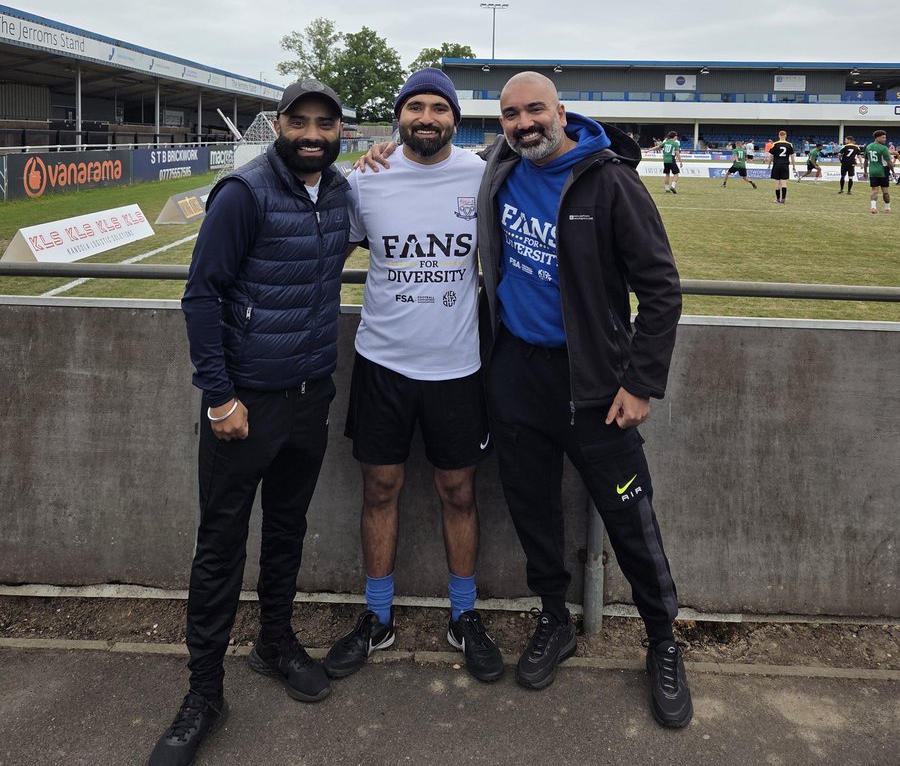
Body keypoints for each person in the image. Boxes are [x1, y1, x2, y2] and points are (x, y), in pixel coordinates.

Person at [477, 72, 692, 728]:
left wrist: (640, 382)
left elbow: (661, 288)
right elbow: (427, 153)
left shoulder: (610, 182)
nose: (524, 124)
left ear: (561, 112)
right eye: (511, 114)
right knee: (532, 506)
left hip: (595, 385)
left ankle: (663, 641)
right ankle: (554, 619)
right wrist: (380, 149)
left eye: (535, 110)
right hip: (516, 373)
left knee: (630, 515)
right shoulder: (499, 167)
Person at [149, 80, 350, 766]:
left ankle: (274, 640)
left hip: (310, 397)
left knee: (288, 529)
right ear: (279, 126)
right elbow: (200, 295)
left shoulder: (342, 191)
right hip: (245, 406)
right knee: (220, 547)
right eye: (300, 121)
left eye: (326, 123)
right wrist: (220, 396)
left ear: (341, 131)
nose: (313, 134)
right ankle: (204, 692)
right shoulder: (243, 192)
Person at [324, 70, 503, 684]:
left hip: (458, 367)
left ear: (455, 119)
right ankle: (377, 619)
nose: (427, 118)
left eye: (438, 108)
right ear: (399, 115)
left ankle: (464, 616)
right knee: (379, 489)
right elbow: (327, 250)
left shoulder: (482, 178)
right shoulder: (366, 178)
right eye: (415, 107)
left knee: (459, 492)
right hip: (383, 365)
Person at [863, 130, 893, 215]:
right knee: (885, 191)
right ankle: (887, 208)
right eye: (883, 137)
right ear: (877, 137)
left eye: (885, 137)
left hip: (872, 171)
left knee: (874, 191)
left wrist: (865, 171)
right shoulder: (884, 148)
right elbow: (889, 162)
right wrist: (893, 171)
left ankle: (873, 207)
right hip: (883, 171)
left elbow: (866, 161)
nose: (885, 139)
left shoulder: (868, 147)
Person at [766, 131, 796, 204]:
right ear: (785, 136)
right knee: (784, 183)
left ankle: (777, 199)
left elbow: (771, 156)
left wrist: (769, 164)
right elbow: (792, 157)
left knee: (777, 183)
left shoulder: (775, 144)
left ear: (779, 136)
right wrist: (794, 166)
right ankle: (783, 199)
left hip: (777, 165)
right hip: (785, 165)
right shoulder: (789, 144)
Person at [660, 130, 681, 194]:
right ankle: (673, 186)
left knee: (667, 174)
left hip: (665, 160)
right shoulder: (675, 143)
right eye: (676, 136)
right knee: (676, 174)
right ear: (674, 136)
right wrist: (681, 161)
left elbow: (658, 147)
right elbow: (677, 153)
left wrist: (649, 150)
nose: (677, 137)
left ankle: (667, 189)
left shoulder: (665, 142)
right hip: (671, 159)